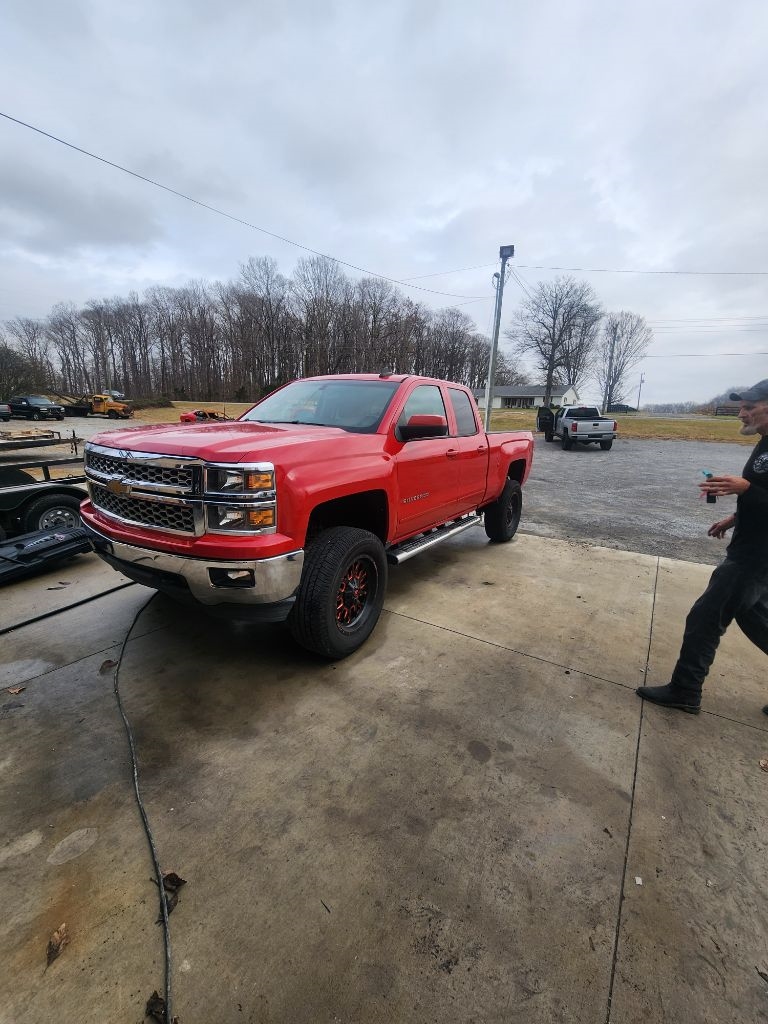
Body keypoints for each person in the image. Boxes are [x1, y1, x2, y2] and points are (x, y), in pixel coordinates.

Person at [637, 379, 768, 715]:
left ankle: (685, 690)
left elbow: (757, 491)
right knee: (757, 620)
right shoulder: (764, 442)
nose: (741, 413)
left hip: (754, 558)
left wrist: (745, 489)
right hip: (751, 548)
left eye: (749, 407)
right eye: (741, 407)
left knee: (705, 617)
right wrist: (735, 517)